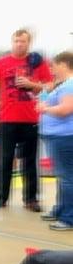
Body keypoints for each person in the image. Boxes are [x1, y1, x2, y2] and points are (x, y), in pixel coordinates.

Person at [0, 29, 53, 212]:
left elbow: (50, 86)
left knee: (29, 161)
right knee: (5, 160)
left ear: (28, 43)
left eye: (23, 41)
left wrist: (32, 85)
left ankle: (30, 199)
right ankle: (1, 197)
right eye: (16, 41)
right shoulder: (0, 63)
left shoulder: (38, 62)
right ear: (11, 42)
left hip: (30, 118)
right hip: (7, 120)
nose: (19, 44)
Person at [36, 51, 73, 231]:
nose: (52, 69)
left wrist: (45, 108)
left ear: (64, 65)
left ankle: (69, 218)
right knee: (63, 176)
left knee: (67, 178)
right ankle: (61, 210)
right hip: (58, 136)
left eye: (54, 65)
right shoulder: (64, 85)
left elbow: (66, 109)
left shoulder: (69, 85)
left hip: (64, 137)